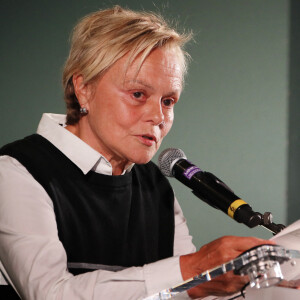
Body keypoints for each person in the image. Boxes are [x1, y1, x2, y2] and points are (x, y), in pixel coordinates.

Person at [0, 5, 271, 300]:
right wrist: (191, 269)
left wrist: (265, 284)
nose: (158, 116)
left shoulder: (155, 185)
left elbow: (188, 292)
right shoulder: (15, 172)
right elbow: (50, 294)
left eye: (168, 101)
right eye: (138, 94)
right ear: (84, 89)